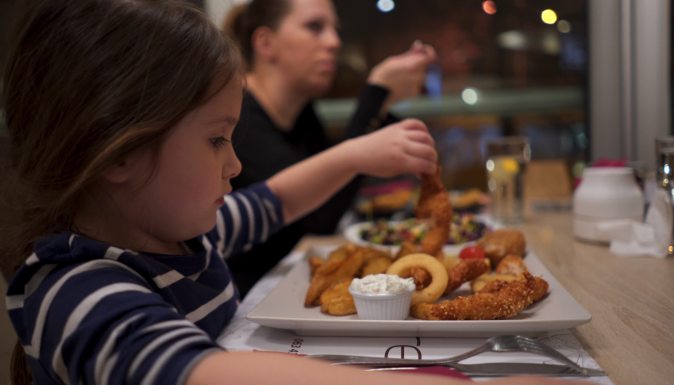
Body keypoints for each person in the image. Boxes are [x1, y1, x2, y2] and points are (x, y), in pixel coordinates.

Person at [0, 2, 593, 385]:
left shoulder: (184, 232)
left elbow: (273, 201)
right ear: (120, 153)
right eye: (215, 140)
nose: (234, 165)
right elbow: (199, 371)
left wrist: (356, 153)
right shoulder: (72, 289)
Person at [223, 0, 439, 295]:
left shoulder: (302, 114)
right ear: (265, 42)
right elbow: (317, 216)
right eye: (315, 27)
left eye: (335, 30)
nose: (334, 42)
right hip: (251, 302)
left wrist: (383, 102)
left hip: (288, 288)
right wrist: (375, 96)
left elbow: (334, 196)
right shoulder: (236, 118)